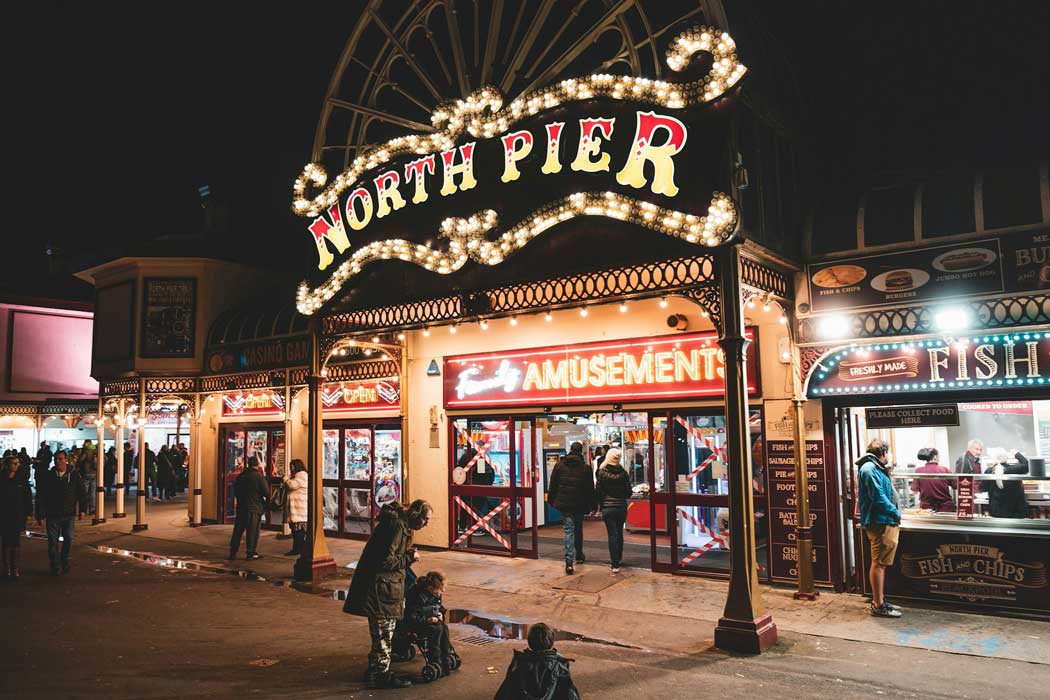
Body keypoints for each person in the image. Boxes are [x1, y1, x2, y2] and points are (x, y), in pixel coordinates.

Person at [344, 499, 433, 689]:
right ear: (416, 515)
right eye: (425, 519)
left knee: (381, 635)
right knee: (384, 634)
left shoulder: (397, 524)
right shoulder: (398, 527)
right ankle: (380, 675)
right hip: (381, 590)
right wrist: (409, 557)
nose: (426, 524)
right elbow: (386, 560)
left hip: (381, 587)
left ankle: (376, 670)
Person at [856, 439, 903, 618]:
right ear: (882, 453)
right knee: (879, 563)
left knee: (881, 562)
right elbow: (878, 497)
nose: (888, 457)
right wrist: (894, 512)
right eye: (887, 453)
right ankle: (878, 605)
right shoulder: (869, 469)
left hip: (884, 519)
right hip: (880, 521)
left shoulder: (874, 467)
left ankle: (880, 600)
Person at [494, 622, 580, 700]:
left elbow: (506, 692)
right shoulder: (559, 665)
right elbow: (570, 694)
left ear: (530, 642)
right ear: (551, 642)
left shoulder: (519, 663)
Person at [547, 442, 595, 575]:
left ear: (570, 450)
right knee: (578, 529)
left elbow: (553, 485)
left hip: (564, 504)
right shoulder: (586, 468)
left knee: (568, 531)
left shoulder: (559, 466)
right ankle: (579, 555)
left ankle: (569, 562)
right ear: (581, 452)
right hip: (579, 504)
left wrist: (551, 500)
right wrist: (593, 504)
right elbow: (590, 489)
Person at [36, 451, 83, 576]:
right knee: (53, 542)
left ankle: (64, 559)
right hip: (53, 514)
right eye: (56, 459)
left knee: (68, 538)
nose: (58, 461)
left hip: (68, 513)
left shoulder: (73, 475)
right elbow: (41, 495)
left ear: (66, 460)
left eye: (60, 459)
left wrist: (82, 509)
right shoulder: (48, 476)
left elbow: (80, 492)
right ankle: (55, 564)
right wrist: (39, 514)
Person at [405, 570, 454, 677]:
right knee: (436, 629)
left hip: (432, 622)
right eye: (440, 589)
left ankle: (445, 657)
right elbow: (411, 617)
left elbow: (440, 608)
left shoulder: (435, 594)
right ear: (431, 588)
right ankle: (435, 659)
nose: (443, 591)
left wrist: (441, 614)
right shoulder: (417, 597)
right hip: (417, 624)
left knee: (443, 627)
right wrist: (427, 620)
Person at [595, 448, 630, 573]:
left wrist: (599, 504)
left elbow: (598, 491)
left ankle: (614, 563)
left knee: (612, 534)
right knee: (619, 533)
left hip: (608, 507)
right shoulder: (624, 473)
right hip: (621, 506)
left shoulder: (602, 472)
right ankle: (619, 558)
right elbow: (628, 492)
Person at [228, 456, 269, 560]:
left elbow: (236, 491)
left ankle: (233, 552)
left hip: (242, 507)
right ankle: (251, 553)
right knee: (252, 532)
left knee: (238, 531)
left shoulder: (241, 476)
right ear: (257, 465)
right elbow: (266, 492)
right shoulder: (258, 476)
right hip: (254, 508)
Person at [1, 455, 33, 580]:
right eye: (13, 463)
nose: (15, 465)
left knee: (15, 541)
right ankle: (7, 567)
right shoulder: (2, 478)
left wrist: (29, 512)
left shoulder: (21, 479)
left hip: (17, 514)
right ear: (7, 465)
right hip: (4, 514)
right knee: (5, 541)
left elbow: (27, 496)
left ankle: (14, 567)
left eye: (17, 463)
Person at [983, 449, 1030, 518]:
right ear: (1006, 458)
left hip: (997, 513)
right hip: (1016, 512)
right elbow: (1027, 464)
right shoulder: (1015, 469)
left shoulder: (988, 471)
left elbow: (983, 488)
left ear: (994, 459)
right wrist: (1017, 454)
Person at [910, 448, 954, 512]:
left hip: (927, 510)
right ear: (935, 457)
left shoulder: (919, 471)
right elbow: (956, 486)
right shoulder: (945, 470)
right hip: (945, 508)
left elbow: (914, 492)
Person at [283, 459, 308, 556]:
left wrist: (285, 479)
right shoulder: (299, 476)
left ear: (297, 466)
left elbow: (291, 485)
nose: (290, 468)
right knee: (297, 531)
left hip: (299, 509)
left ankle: (297, 549)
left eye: (292, 466)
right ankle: (298, 548)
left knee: (298, 531)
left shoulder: (301, 475)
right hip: (298, 508)